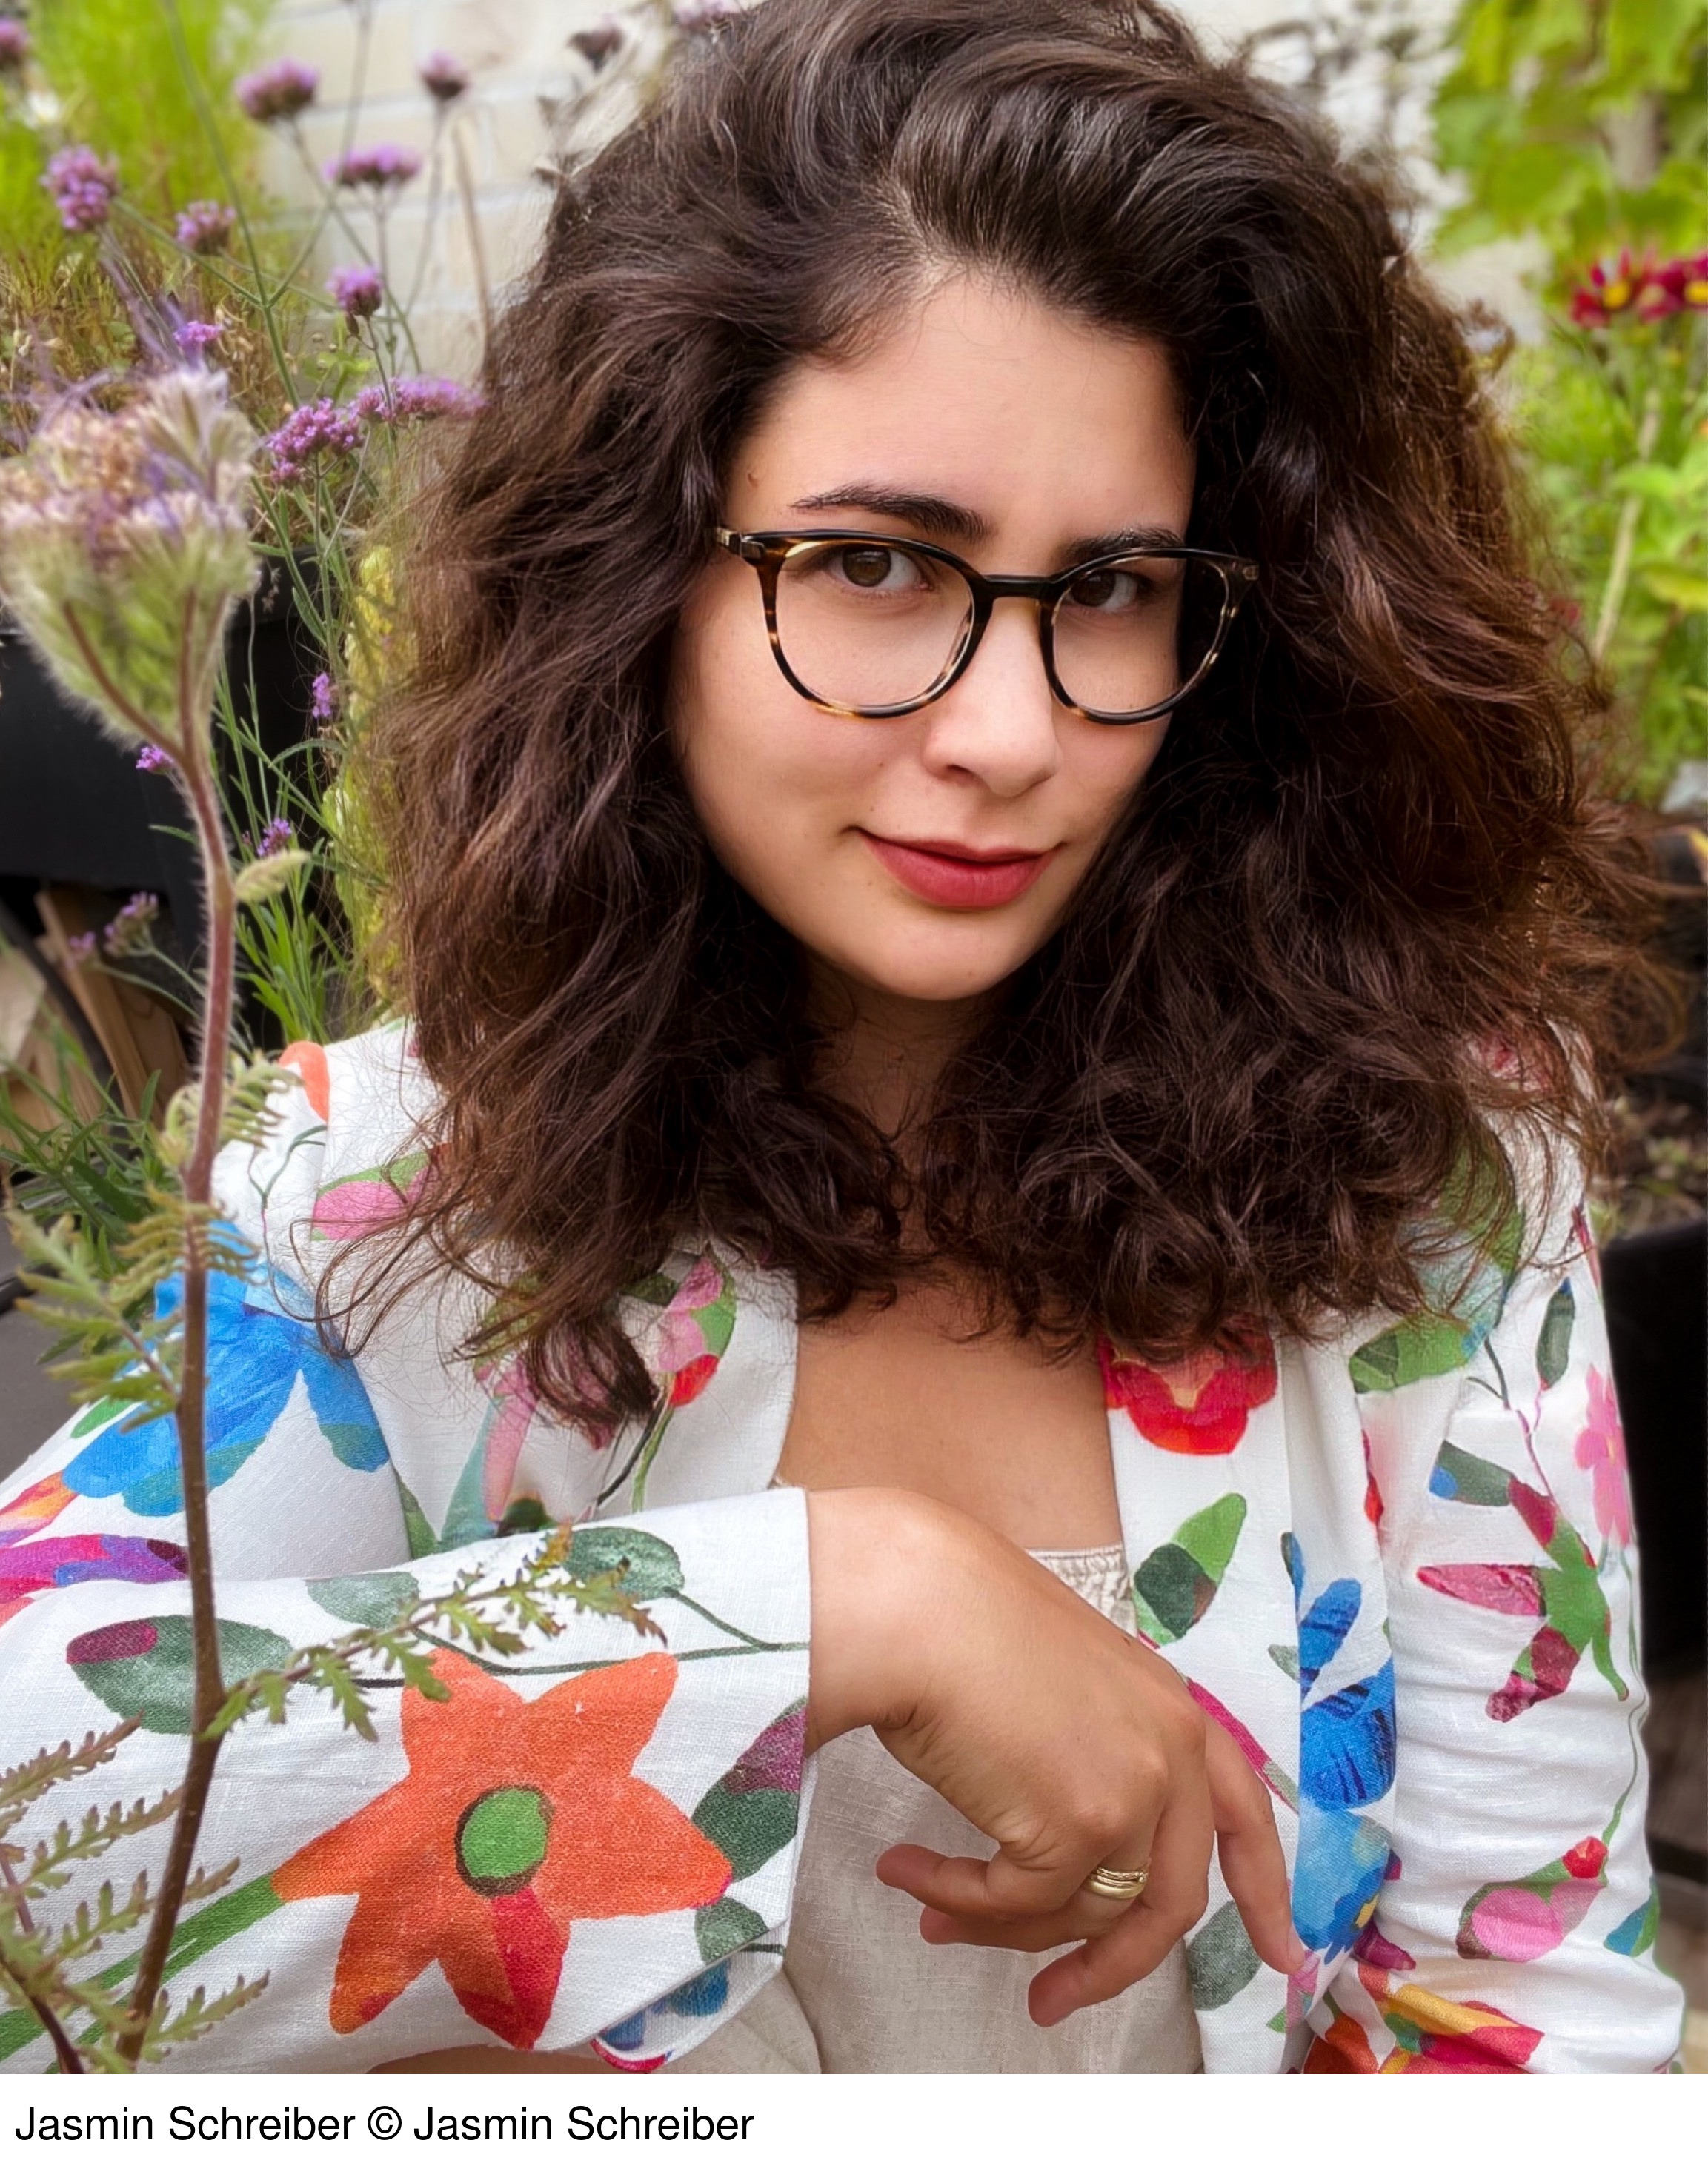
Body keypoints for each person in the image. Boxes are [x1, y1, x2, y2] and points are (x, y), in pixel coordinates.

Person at [0, 0, 1686, 2077]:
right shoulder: (375, 1209)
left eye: (1114, 587)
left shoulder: (1425, 1190)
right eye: (879, 564)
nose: (1012, 733)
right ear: (639, 578)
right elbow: (39, 1828)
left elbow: (1529, 2023)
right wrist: (832, 1604)